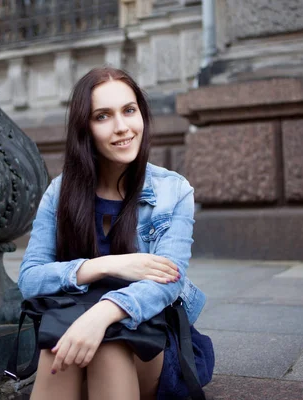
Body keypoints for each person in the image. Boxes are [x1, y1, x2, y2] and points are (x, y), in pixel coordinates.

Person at [18, 67, 213, 400]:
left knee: (109, 344)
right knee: (59, 347)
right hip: (75, 331)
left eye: (129, 110)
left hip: (151, 340)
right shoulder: (60, 192)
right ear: (85, 128)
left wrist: (101, 314)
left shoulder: (172, 191)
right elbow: (30, 278)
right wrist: (109, 266)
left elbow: (168, 282)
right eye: (103, 116)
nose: (122, 127)